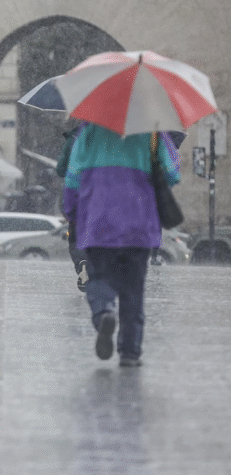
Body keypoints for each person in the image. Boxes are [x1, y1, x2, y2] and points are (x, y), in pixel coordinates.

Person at [64, 123, 180, 367]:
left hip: (98, 219)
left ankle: (104, 312)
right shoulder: (153, 131)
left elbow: (73, 177)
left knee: (98, 278)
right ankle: (130, 352)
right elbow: (172, 173)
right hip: (138, 221)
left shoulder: (89, 131)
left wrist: (71, 211)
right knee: (133, 289)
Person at [56, 122, 90, 291]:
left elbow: (61, 170)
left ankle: (82, 264)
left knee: (75, 237)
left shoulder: (74, 138)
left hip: (77, 196)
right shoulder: (111, 139)